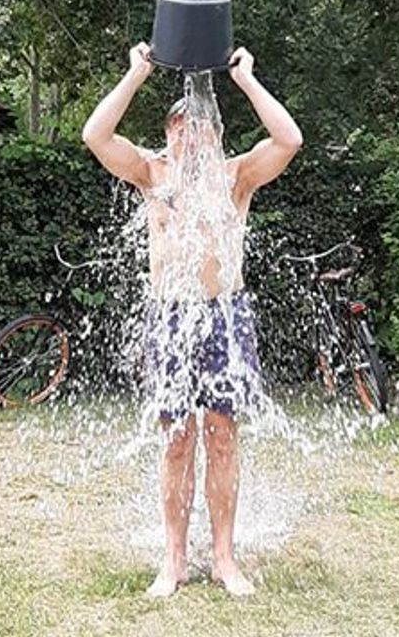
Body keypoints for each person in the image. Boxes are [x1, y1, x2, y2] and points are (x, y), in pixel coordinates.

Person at [81, 42, 302, 597]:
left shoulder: (235, 178)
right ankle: (175, 559)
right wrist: (137, 73)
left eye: (200, 129)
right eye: (180, 127)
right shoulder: (153, 175)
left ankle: (225, 558)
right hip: (170, 316)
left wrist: (247, 79)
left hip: (224, 314)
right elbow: (95, 136)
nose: (189, 136)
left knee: (222, 437)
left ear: (216, 137)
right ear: (169, 133)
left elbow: (289, 140)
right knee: (177, 440)